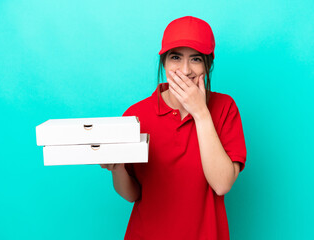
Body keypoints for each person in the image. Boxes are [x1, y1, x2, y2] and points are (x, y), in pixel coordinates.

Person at [100, 16, 247, 240]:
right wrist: (117, 167)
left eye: (196, 59)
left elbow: (221, 184)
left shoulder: (225, 108)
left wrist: (200, 112)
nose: (185, 70)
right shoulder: (136, 115)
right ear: (164, 62)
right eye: (175, 57)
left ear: (208, 65)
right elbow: (132, 194)